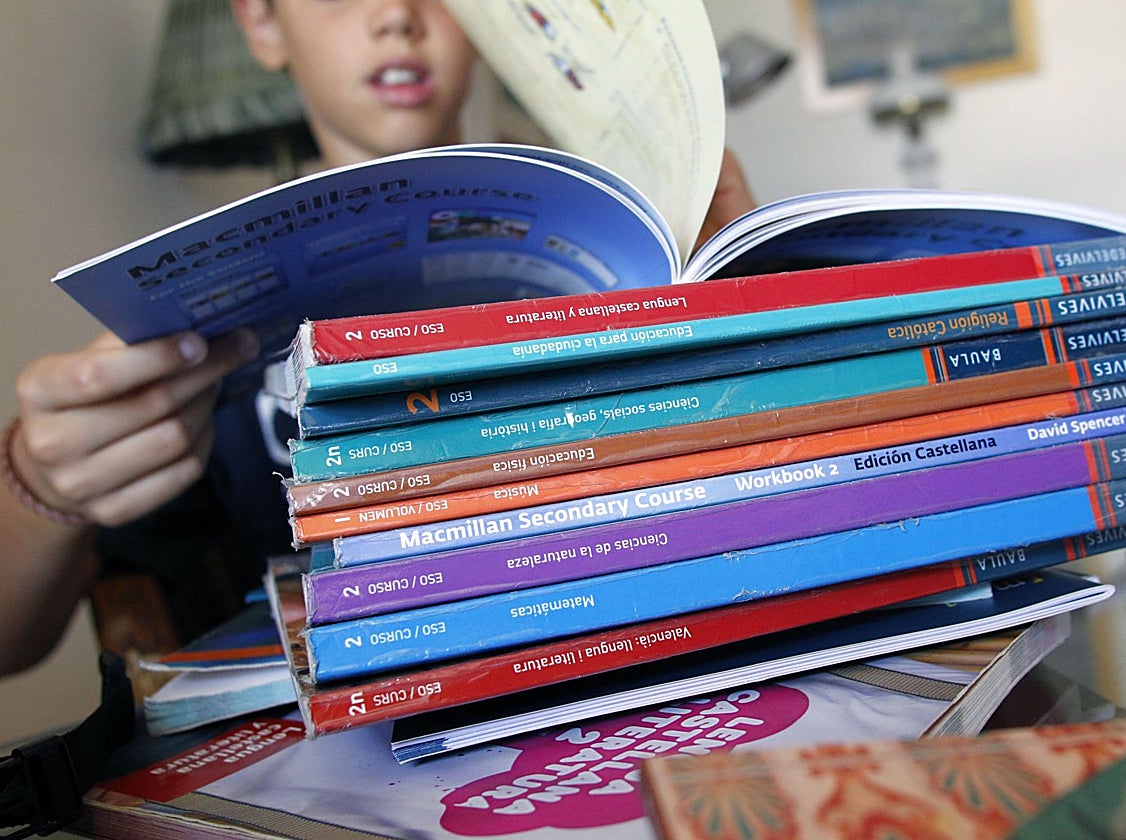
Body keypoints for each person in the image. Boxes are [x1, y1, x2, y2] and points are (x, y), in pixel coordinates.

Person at [0, 0, 755, 676]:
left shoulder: (623, 244)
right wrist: (40, 489)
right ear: (262, 23)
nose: (397, 13)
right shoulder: (198, 319)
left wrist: (747, 295)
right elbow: (11, 647)